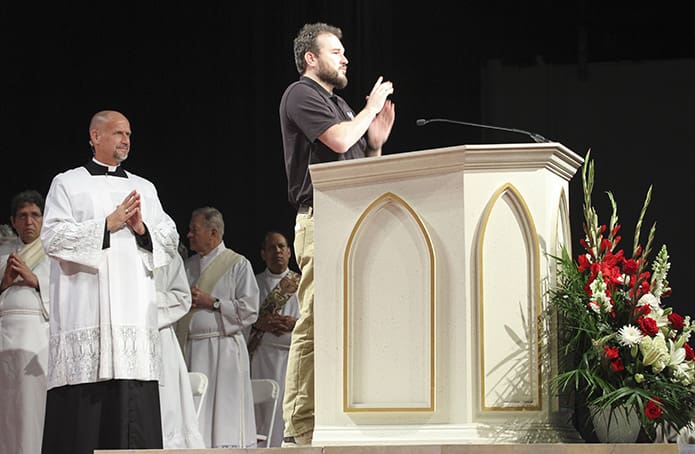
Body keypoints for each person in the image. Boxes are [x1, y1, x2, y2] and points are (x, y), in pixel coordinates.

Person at [279, 22, 396, 447]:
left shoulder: (342, 104)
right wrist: (369, 113)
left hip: (352, 218)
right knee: (314, 320)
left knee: (351, 322)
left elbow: (361, 166)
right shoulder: (301, 94)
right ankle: (300, 426)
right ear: (311, 58)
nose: (345, 57)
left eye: (344, 51)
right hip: (322, 218)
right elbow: (339, 139)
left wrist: (378, 143)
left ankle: (345, 416)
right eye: (336, 51)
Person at [40, 110, 179, 454]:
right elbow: (53, 237)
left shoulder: (144, 188)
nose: (126, 140)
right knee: (82, 425)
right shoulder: (67, 183)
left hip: (132, 315)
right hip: (85, 311)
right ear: (95, 136)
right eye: (118, 133)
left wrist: (141, 230)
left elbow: (170, 238)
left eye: (129, 134)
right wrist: (107, 224)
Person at [178, 206, 259, 448]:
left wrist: (212, 302)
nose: (189, 235)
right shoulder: (188, 266)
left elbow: (250, 309)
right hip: (192, 350)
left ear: (213, 233)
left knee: (224, 416)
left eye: (194, 230)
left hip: (224, 351)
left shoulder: (237, 264)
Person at [0, 190, 49, 454]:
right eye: (22, 216)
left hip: (37, 341)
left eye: (35, 215)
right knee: (7, 409)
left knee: (32, 408)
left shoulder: (55, 256)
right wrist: (4, 283)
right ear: (13, 221)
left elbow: (68, 298)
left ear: (44, 218)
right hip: (5, 341)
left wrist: (36, 281)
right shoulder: (3, 255)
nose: (29, 221)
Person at [247, 230, 300, 447]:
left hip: (291, 359)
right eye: (271, 248)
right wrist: (259, 323)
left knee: (287, 410)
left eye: (281, 246)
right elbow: (243, 314)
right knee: (263, 410)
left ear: (289, 252)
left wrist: (292, 324)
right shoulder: (254, 282)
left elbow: (316, 319)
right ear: (263, 254)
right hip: (261, 358)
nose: (277, 251)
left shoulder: (302, 283)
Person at [155, 241, 205, 449]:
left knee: (165, 414)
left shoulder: (166, 254)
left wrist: (141, 300)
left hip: (159, 338)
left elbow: (182, 297)